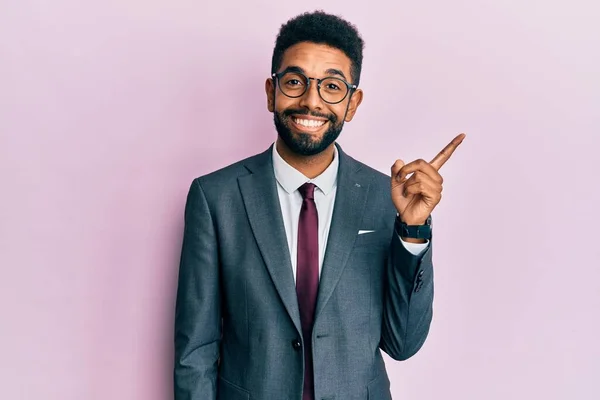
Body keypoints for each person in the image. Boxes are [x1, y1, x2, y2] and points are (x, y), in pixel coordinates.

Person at [174, 10, 465, 400]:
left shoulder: (387, 198)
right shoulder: (216, 198)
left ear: (352, 103)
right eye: (295, 82)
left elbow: (403, 343)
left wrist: (412, 232)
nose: (311, 101)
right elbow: (196, 350)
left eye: (331, 86)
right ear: (271, 92)